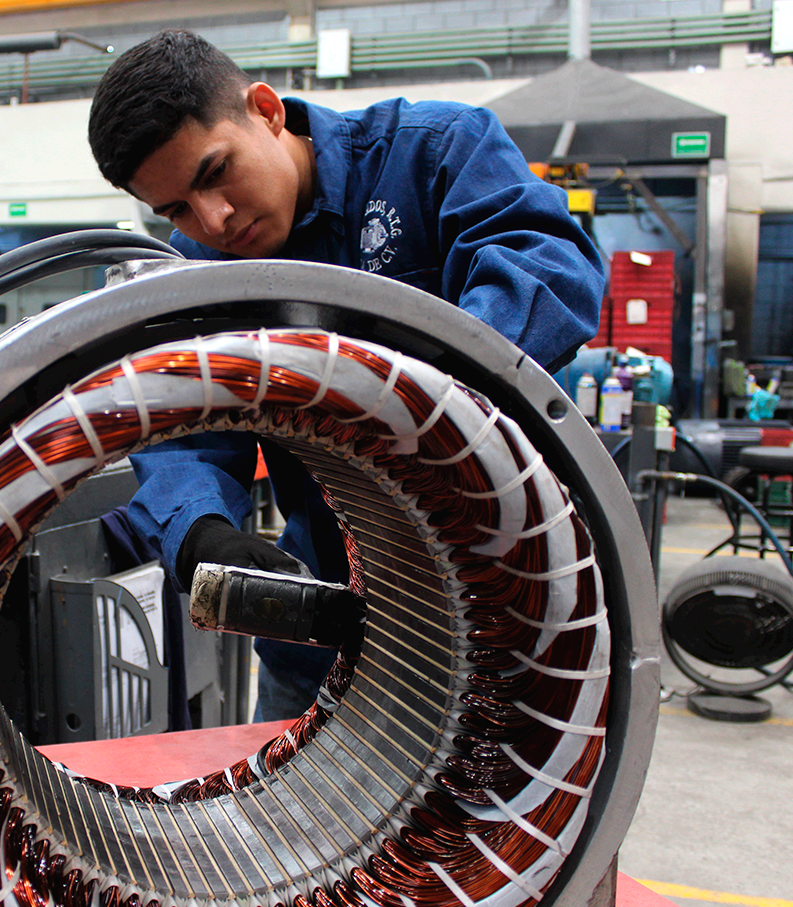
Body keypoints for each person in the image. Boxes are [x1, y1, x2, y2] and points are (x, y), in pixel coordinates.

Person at [86, 29, 605, 721]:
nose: (212, 219)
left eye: (214, 173)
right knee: (297, 827)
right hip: (327, 640)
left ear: (266, 111)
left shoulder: (434, 153)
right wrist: (202, 532)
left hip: (503, 612)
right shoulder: (201, 272)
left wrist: (419, 405)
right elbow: (184, 429)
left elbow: (547, 272)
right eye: (177, 208)